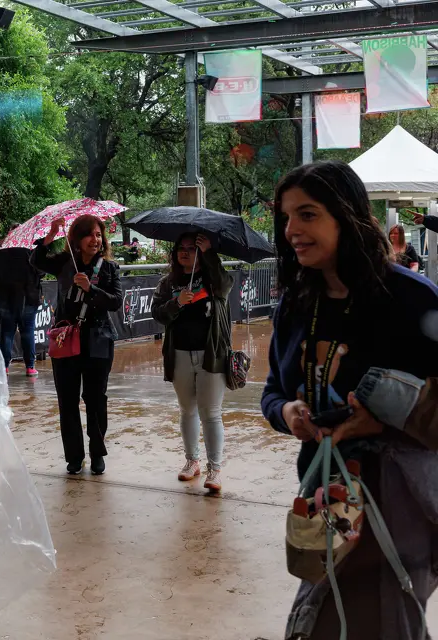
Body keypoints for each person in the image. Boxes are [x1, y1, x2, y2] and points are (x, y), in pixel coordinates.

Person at [261, 160, 438, 639]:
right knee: (317, 623)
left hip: (402, 509)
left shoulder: (413, 300)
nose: (291, 229)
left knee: (387, 625)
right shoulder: (296, 303)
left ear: (348, 216)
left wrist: (382, 423)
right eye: (286, 217)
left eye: (308, 214)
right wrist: (287, 413)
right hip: (326, 502)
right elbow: (273, 391)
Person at [31, 215, 122, 476]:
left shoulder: (108, 268)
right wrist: (50, 237)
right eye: (89, 234)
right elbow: (36, 261)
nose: (95, 240)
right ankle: (74, 456)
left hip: (99, 341)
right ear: (77, 239)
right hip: (66, 340)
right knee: (67, 401)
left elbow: (115, 301)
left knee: (95, 400)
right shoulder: (64, 262)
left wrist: (91, 290)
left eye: (98, 235)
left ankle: (97, 454)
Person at [152, 233, 234, 492]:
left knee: (211, 413)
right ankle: (192, 461)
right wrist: (177, 302)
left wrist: (209, 253)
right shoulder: (169, 283)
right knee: (187, 410)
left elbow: (225, 284)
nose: (185, 252)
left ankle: (215, 469)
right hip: (179, 354)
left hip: (212, 355)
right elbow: (157, 313)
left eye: (192, 248)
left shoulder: (213, 278)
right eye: (181, 248)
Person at [0, 227, 42, 377]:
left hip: (5, 298)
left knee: (7, 332)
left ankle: (4, 366)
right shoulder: (31, 247)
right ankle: (30, 367)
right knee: (28, 332)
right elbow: (41, 271)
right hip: (28, 298)